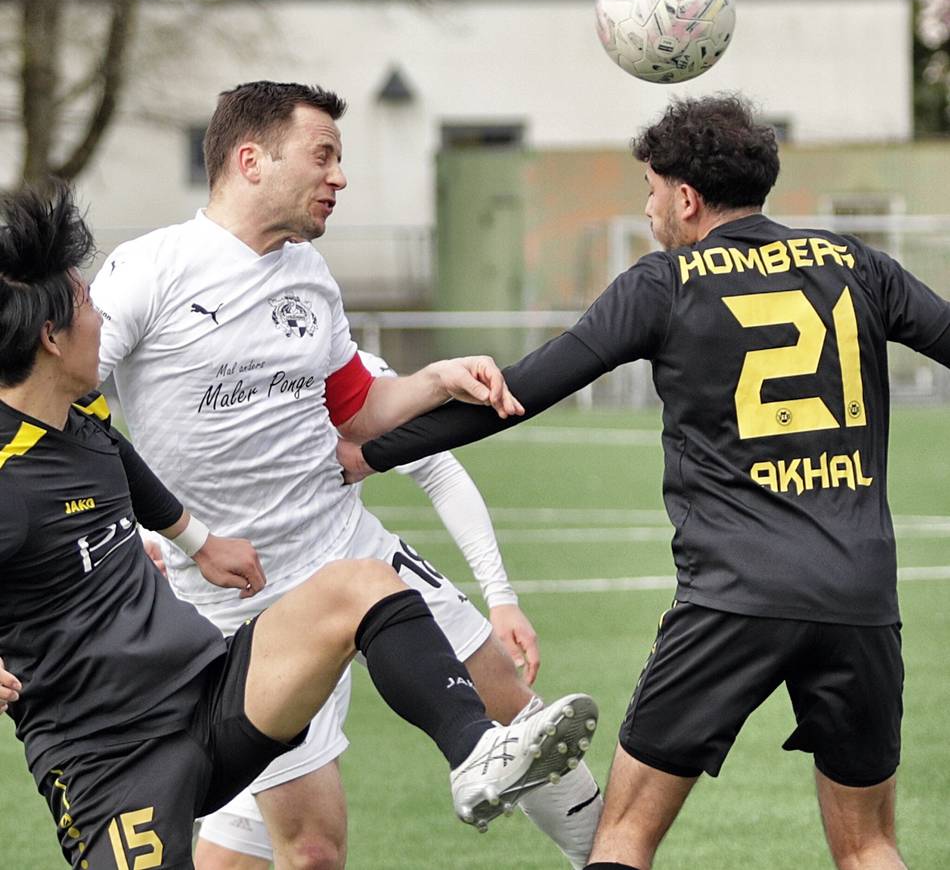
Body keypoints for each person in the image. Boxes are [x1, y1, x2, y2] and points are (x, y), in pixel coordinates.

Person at [338, 93, 950, 870]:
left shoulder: (667, 282)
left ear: (686, 198)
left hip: (733, 597)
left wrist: (371, 450)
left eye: (652, 191)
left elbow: (515, 394)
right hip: (861, 597)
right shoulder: (855, 264)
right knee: (869, 845)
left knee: (623, 835)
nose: (650, 207)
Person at [0, 183, 598, 869]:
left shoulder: (83, 417)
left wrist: (200, 541)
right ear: (49, 338)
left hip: (208, 696)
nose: (103, 318)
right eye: (85, 308)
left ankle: (475, 751)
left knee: (362, 586)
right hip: (112, 760)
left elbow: (126, 468)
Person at [197, 347, 544, 865]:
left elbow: (438, 470)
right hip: (251, 622)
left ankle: (606, 853)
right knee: (303, 853)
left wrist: (501, 597)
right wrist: (173, 539)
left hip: (360, 581)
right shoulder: (187, 359)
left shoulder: (333, 357)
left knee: (517, 713)